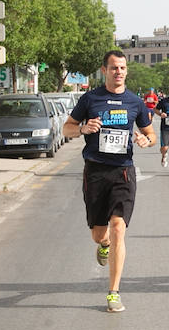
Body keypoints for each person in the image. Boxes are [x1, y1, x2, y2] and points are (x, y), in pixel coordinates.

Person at [64, 50, 156, 313]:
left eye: (123, 68)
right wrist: (82, 128)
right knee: (99, 233)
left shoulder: (135, 103)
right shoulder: (90, 99)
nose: (119, 72)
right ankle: (103, 245)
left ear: (127, 71)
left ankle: (113, 292)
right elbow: (67, 127)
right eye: (114, 68)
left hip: (123, 172)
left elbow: (151, 135)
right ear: (104, 70)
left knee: (118, 227)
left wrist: (144, 140)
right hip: (95, 172)